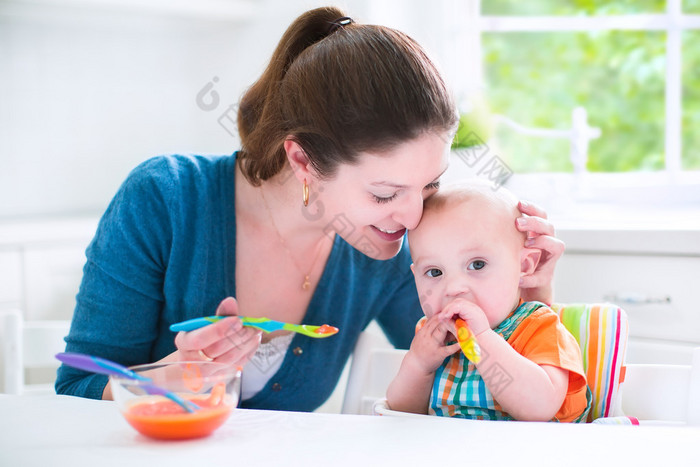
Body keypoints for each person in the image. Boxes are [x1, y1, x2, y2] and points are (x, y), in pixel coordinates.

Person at [55, 6, 564, 412]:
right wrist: (166, 380)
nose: (412, 218)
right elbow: (75, 386)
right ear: (302, 159)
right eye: (385, 194)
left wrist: (532, 289)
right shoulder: (164, 199)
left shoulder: (391, 247)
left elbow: (497, 377)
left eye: (430, 185)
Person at [386, 182, 590, 422]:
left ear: (524, 266)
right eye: (434, 272)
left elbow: (539, 409)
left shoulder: (539, 326)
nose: (453, 288)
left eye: (477, 265)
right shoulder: (432, 336)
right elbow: (401, 413)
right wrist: (419, 365)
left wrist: (482, 340)